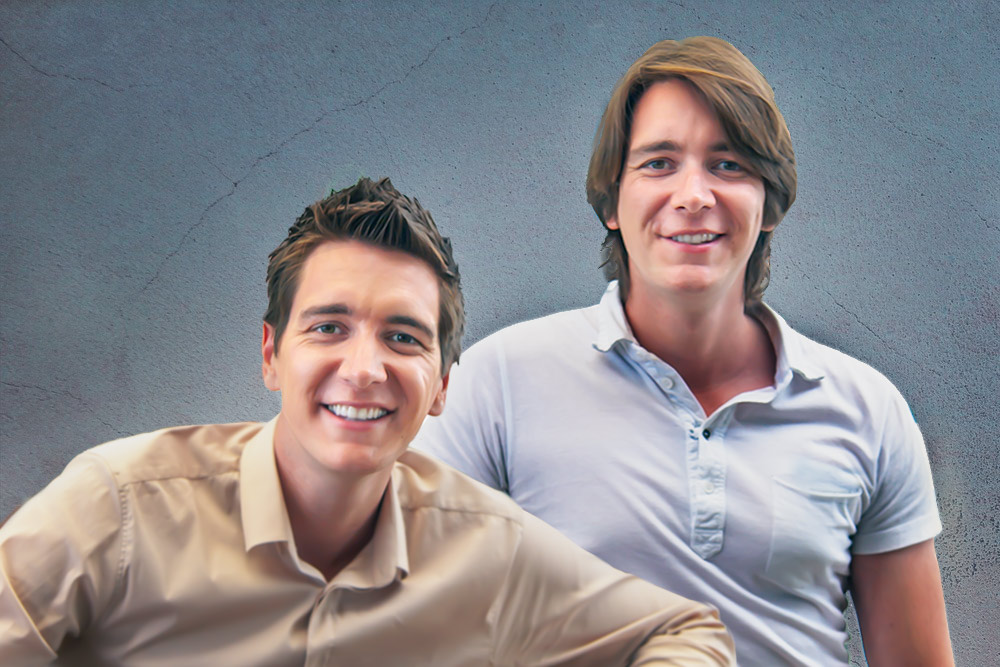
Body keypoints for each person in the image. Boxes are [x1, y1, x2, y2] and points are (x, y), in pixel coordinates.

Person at [0, 178, 736, 666]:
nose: (364, 367)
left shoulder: (490, 548)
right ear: (270, 354)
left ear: (443, 384)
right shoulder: (118, 507)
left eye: (404, 337)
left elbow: (687, 633)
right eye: (327, 327)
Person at [414, 37, 954, 665]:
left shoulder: (869, 410)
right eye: (658, 163)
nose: (694, 194)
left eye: (727, 164)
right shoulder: (496, 382)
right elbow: (406, 621)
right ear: (612, 200)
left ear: (769, 202)